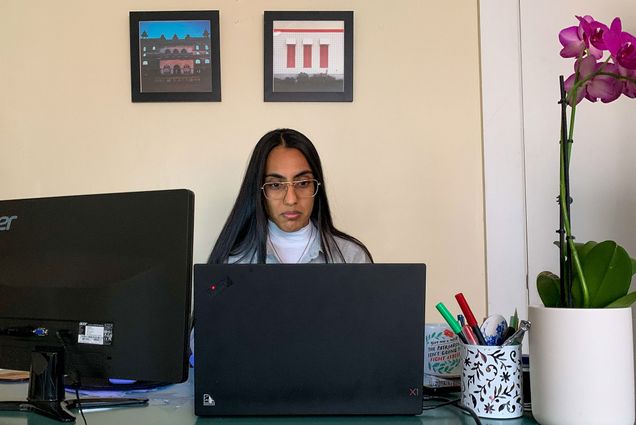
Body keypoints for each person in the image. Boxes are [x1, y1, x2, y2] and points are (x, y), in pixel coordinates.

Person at [208, 128, 373, 264]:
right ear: (258, 191)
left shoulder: (351, 257)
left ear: (316, 186)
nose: (291, 200)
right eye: (275, 185)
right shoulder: (233, 260)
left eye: (302, 183)